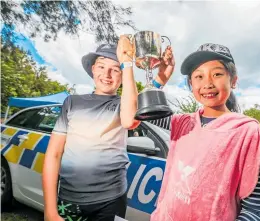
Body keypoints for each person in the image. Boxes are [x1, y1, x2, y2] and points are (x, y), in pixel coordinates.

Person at [42, 36, 174, 221]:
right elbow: (53, 154)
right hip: (69, 197)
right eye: (102, 66)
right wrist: (49, 210)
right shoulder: (72, 102)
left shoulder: (123, 104)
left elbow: (130, 119)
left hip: (111, 200)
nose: (107, 74)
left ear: (122, 75)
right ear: (93, 69)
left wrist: (130, 65)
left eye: (115, 69)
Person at [150, 43, 260, 221]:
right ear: (190, 84)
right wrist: (161, 77)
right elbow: (142, 111)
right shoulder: (182, 123)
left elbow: (255, 211)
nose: (207, 83)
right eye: (198, 76)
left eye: (217, 74)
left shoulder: (247, 133)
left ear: (233, 80)